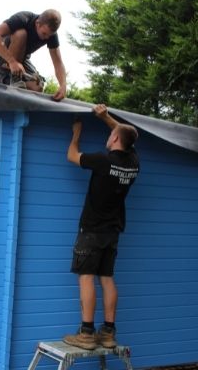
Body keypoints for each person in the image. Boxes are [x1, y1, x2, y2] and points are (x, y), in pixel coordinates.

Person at [63, 104, 140, 350]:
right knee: (106, 278)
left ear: (115, 138)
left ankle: (86, 333)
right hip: (112, 232)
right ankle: (108, 333)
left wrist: (76, 133)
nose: (109, 135)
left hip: (92, 230)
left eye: (111, 134)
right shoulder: (133, 162)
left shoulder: (102, 160)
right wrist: (106, 117)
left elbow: (72, 156)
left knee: (86, 278)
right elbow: (126, 134)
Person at [0, 9, 67, 101]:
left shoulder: (51, 35)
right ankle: (14, 79)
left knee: (37, 86)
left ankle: (3, 78)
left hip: (20, 59)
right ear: (37, 23)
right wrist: (11, 61)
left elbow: (58, 63)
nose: (46, 38)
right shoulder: (23, 18)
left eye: (49, 35)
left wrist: (63, 85)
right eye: (44, 34)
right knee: (21, 34)